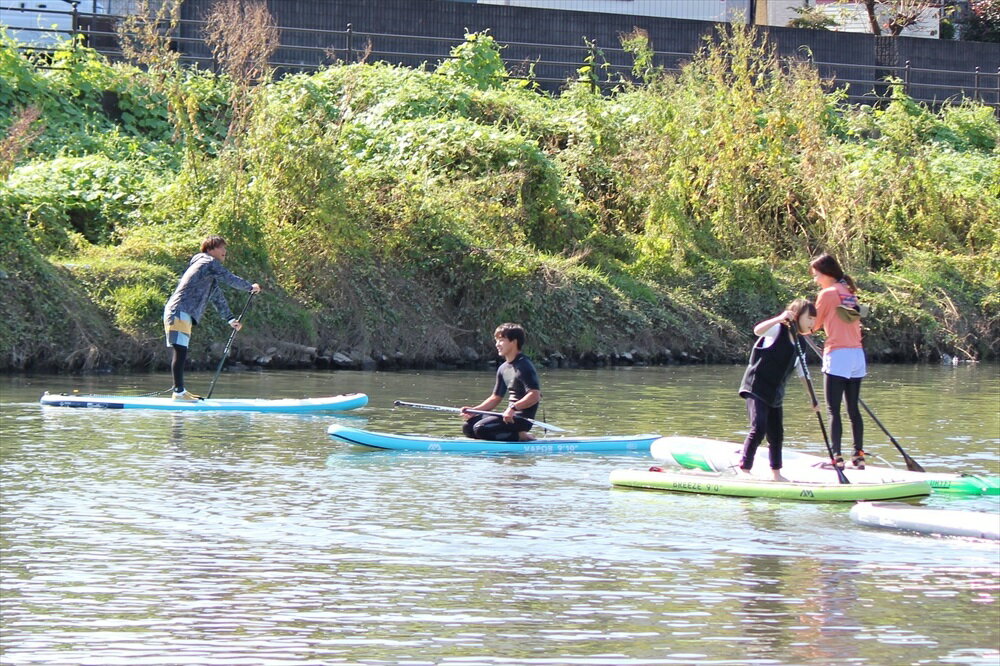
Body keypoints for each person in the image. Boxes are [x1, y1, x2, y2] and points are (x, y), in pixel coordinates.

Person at [163, 235, 261, 401]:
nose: (225, 251)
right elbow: (229, 278)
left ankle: (179, 392)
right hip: (179, 310)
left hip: (183, 312)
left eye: (225, 248)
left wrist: (230, 319)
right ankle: (179, 393)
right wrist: (250, 287)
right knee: (180, 351)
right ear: (209, 249)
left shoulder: (205, 270)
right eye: (221, 247)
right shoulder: (207, 262)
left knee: (181, 351)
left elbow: (217, 297)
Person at [737, 299, 817, 481]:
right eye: (809, 318)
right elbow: (757, 330)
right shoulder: (777, 330)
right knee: (759, 428)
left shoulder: (801, 344)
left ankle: (776, 473)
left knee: (777, 434)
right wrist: (779, 318)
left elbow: (803, 373)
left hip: (775, 393)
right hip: (756, 386)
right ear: (796, 316)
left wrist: (813, 398)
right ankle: (744, 469)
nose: (812, 323)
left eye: (814, 319)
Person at [810, 252, 866, 469]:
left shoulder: (828, 294)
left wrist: (796, 324)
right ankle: (859, 456)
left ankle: (836, 458)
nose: (815, 280)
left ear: (827, 274)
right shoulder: (849, 292)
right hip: (857, 356)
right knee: (853, 409)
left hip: (838, 355)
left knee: (833, 409)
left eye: (816, 276)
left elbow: (813, 325)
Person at [462, 323, 541, 442]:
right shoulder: (503, 368)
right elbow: (496, 398)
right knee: (468, 427)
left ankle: (520, 436)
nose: (497, 344)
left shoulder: (524, 365)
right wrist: (474, 410)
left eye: (501, 340)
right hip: (509, 415)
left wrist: (513, 408)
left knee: (481, 428)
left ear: (513, 342)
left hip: (522, 419)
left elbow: (535, 395)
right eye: (496, 340)